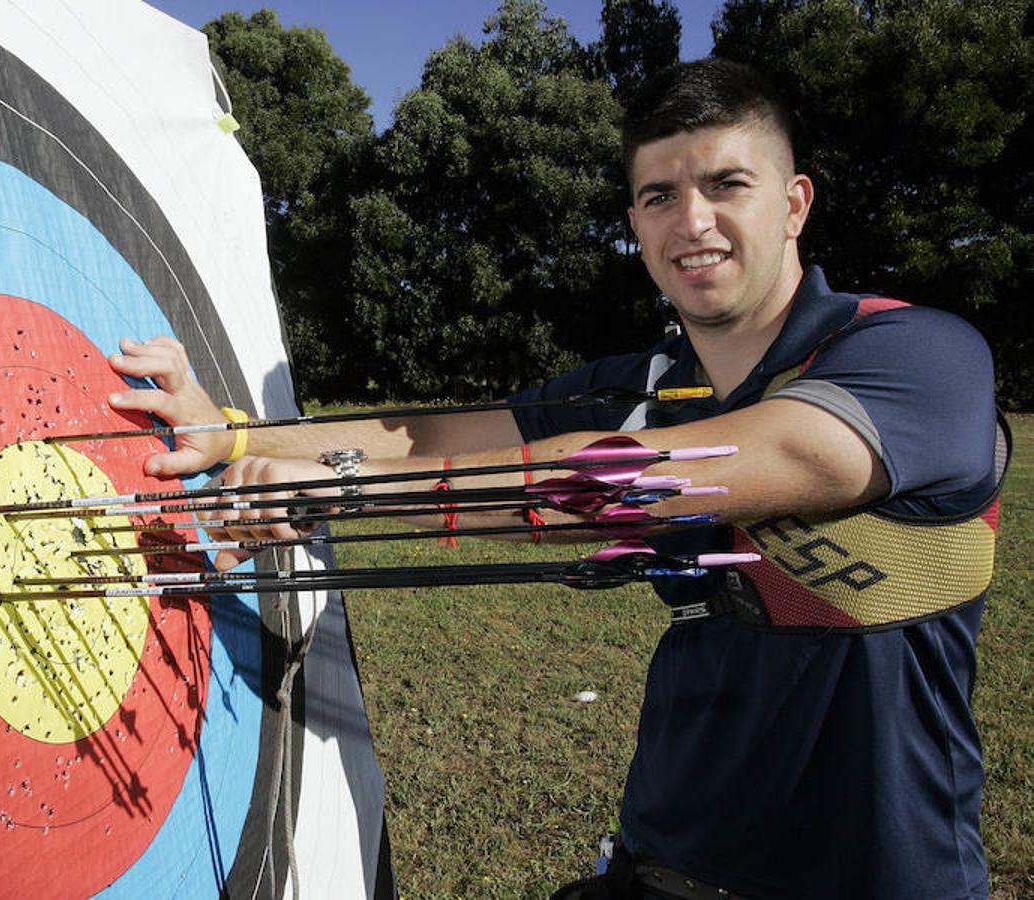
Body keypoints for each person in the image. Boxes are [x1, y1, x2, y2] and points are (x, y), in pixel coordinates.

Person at [106, 58, 1004, 899]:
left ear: (795, 203)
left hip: (878, 871)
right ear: (636, 226)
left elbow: (670, 474)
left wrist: (340, 488)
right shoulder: (643, 384)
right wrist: (232, 436)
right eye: (659, 196)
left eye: (727, 185)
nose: (691, 221)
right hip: (665, 859)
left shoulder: (917, 356)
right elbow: (420, 430)